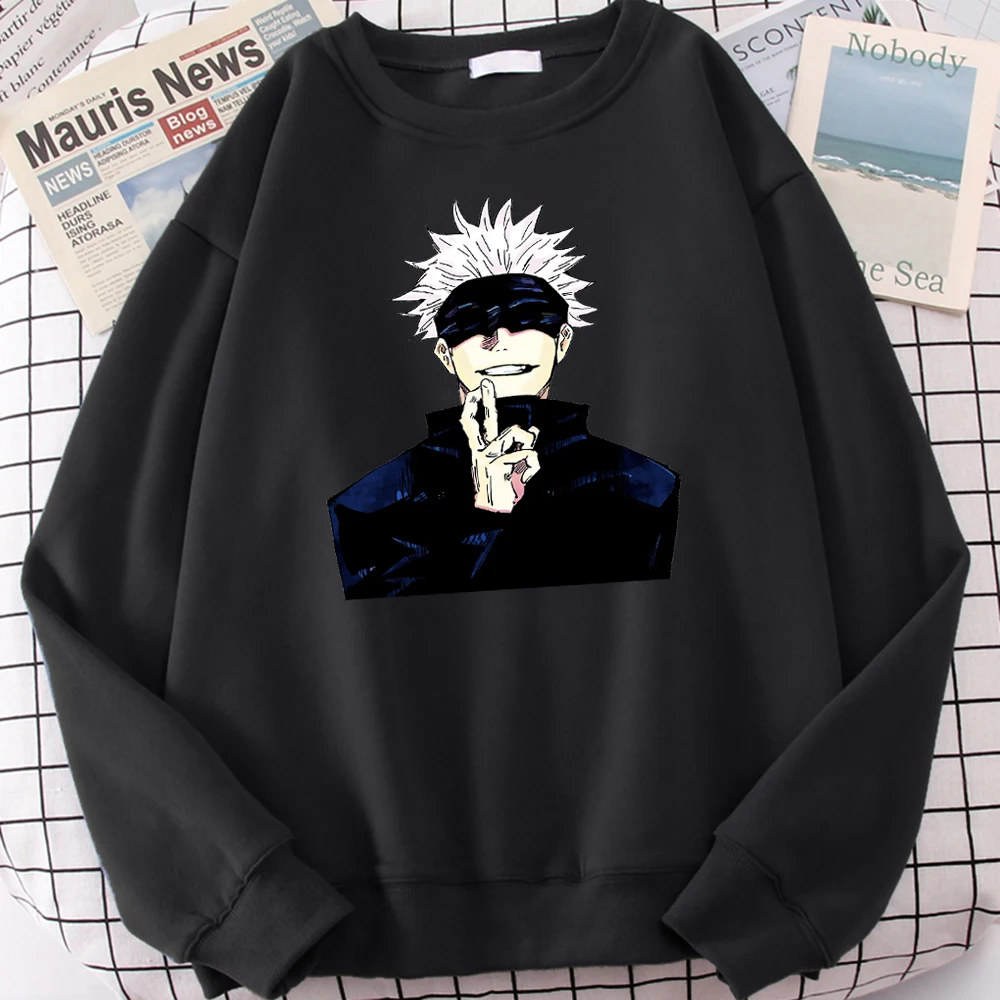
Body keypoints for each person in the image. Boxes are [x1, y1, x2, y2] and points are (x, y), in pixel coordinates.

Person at [327, 198, 680, 599]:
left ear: (562, 340)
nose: (500, 341)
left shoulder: (646, 488)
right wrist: (487, 513)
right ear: (444, 353)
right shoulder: (367, 505)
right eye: (471, 325)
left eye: (527, 318)